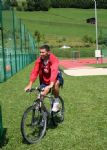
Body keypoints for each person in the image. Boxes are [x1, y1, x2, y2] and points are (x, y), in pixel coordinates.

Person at [24, 45, 64, 112]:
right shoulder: (39, 60)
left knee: (55, 84)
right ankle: (44, 115)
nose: (41, 54)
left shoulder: (53, 59)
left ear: (48, 52)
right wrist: (30, 84)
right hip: (45, 79)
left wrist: (51, 84)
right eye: (40, 52)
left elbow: (54, 71)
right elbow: (35, 71)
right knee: (40, 97)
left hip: (56, 77)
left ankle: (56, 102)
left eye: (43, 52)